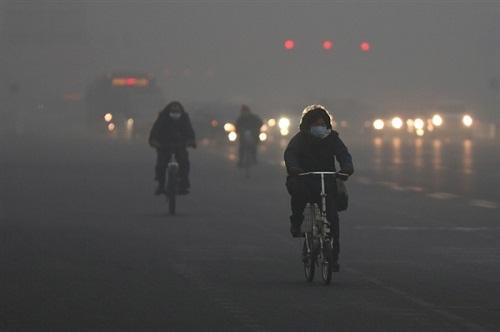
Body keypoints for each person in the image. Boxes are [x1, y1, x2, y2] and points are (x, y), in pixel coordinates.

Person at [284, 104, 354, 271]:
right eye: (316, 124)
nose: (319, 127)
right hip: (304, 179)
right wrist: (294, 169)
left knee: (333, 220)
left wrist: (346, 168)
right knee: (299, 194)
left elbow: (344, 154)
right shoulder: (299, 139)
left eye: (322, 124)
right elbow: (290, 154)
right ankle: (296, 222)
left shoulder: (332, 139)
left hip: (326, 182)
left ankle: (333, 258)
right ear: (308, 125)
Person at [149, 101, 196, 195]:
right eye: (173, 111)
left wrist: (191, 141)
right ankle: (161, 185)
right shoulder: (163, 118)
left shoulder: (184, 119)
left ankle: (184, 183)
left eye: (177, 112)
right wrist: (154, 141)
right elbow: (155, 131)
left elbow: (190, 132)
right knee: (161, 164)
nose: (175, 114)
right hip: (164, 145)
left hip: (180, 145)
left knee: (184, 162)